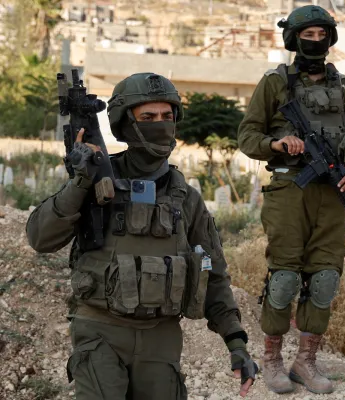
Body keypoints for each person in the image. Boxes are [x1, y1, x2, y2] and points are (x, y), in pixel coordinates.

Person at [26, 72, 257, 399]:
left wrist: (237, 344)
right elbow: (40, 238)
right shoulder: (94, 180)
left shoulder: (186, 199)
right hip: (101, 332)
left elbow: (214, 274)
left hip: (160, 339)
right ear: (124, 124)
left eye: (166, 116)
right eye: (147, 117)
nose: (159, 125)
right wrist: (79, 182)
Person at [237, 5, 345, 394]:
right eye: (308, 35)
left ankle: (306, 361)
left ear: (330, 39)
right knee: (284, 277)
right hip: (289, 190)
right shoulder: (274, 83)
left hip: (334, 192)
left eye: (321, 35)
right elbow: (247, 136)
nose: (316, 41)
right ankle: (271, 360)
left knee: (325, 277)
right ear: (294, 39)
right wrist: (277, 143)